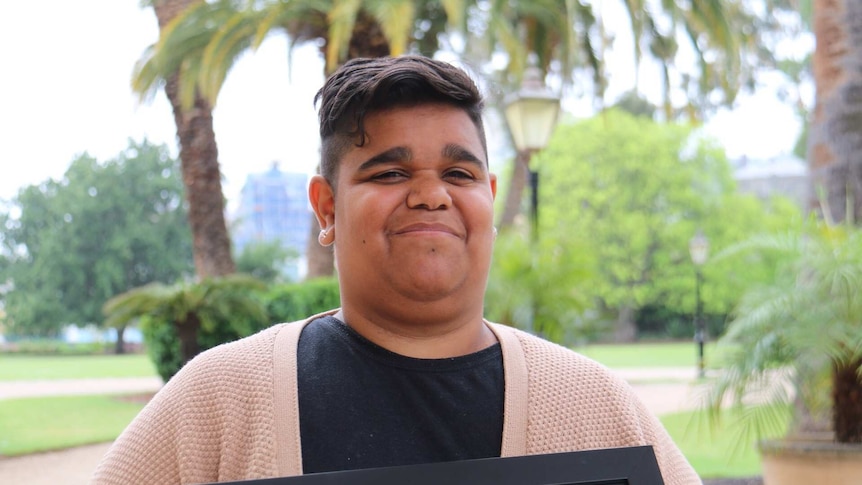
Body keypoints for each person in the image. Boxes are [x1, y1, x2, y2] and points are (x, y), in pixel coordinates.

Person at [92, 55, 701, 485]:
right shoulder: (221, 400)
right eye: (390, 173)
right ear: (326, 207)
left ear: (489, 197)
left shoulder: (595, 406)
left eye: (459, 174)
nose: (432, 194)